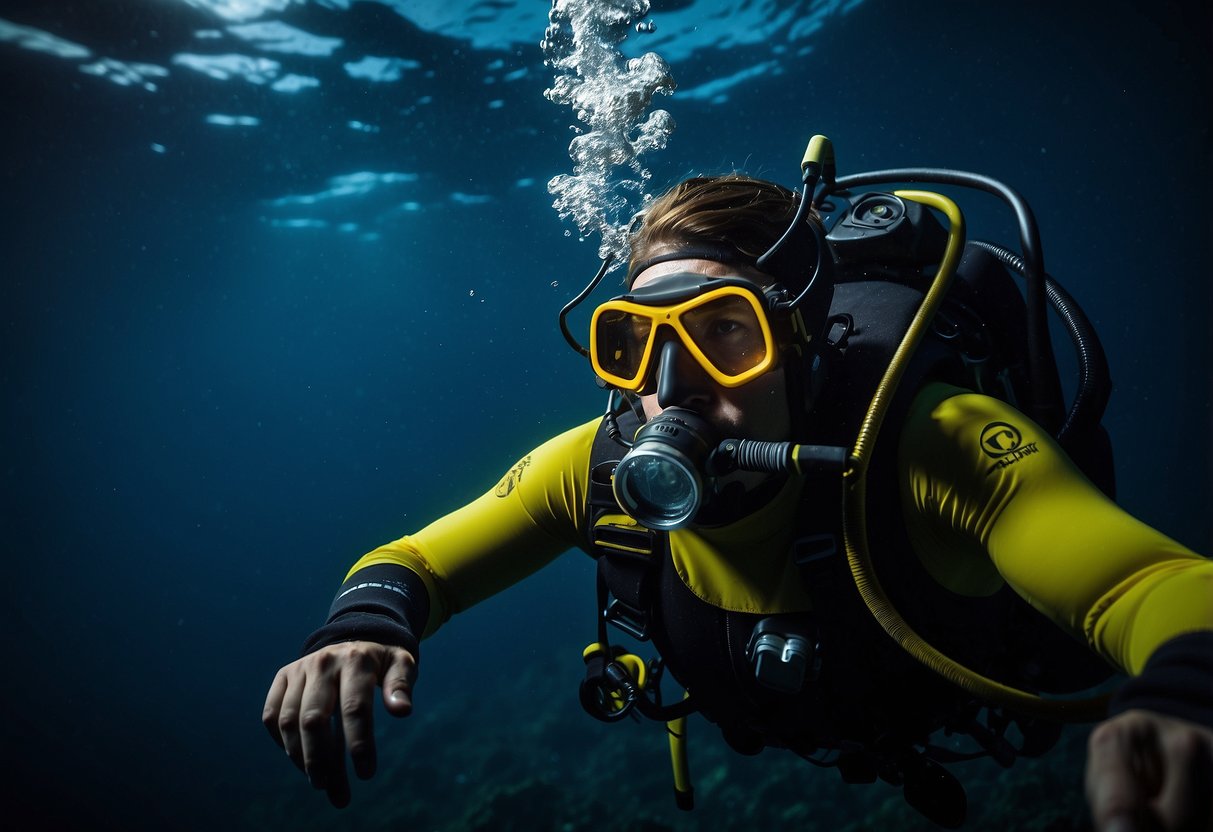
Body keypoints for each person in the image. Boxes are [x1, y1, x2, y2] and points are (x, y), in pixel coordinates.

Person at [263, 142, 1212, 830]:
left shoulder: (931, 446)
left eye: (726, 330)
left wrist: (1186, 690)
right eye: (634, 342)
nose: (669, 389)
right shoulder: (592, 466)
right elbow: (412, 561)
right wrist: (361, 626)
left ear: (797, 343)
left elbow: (1149, 587)